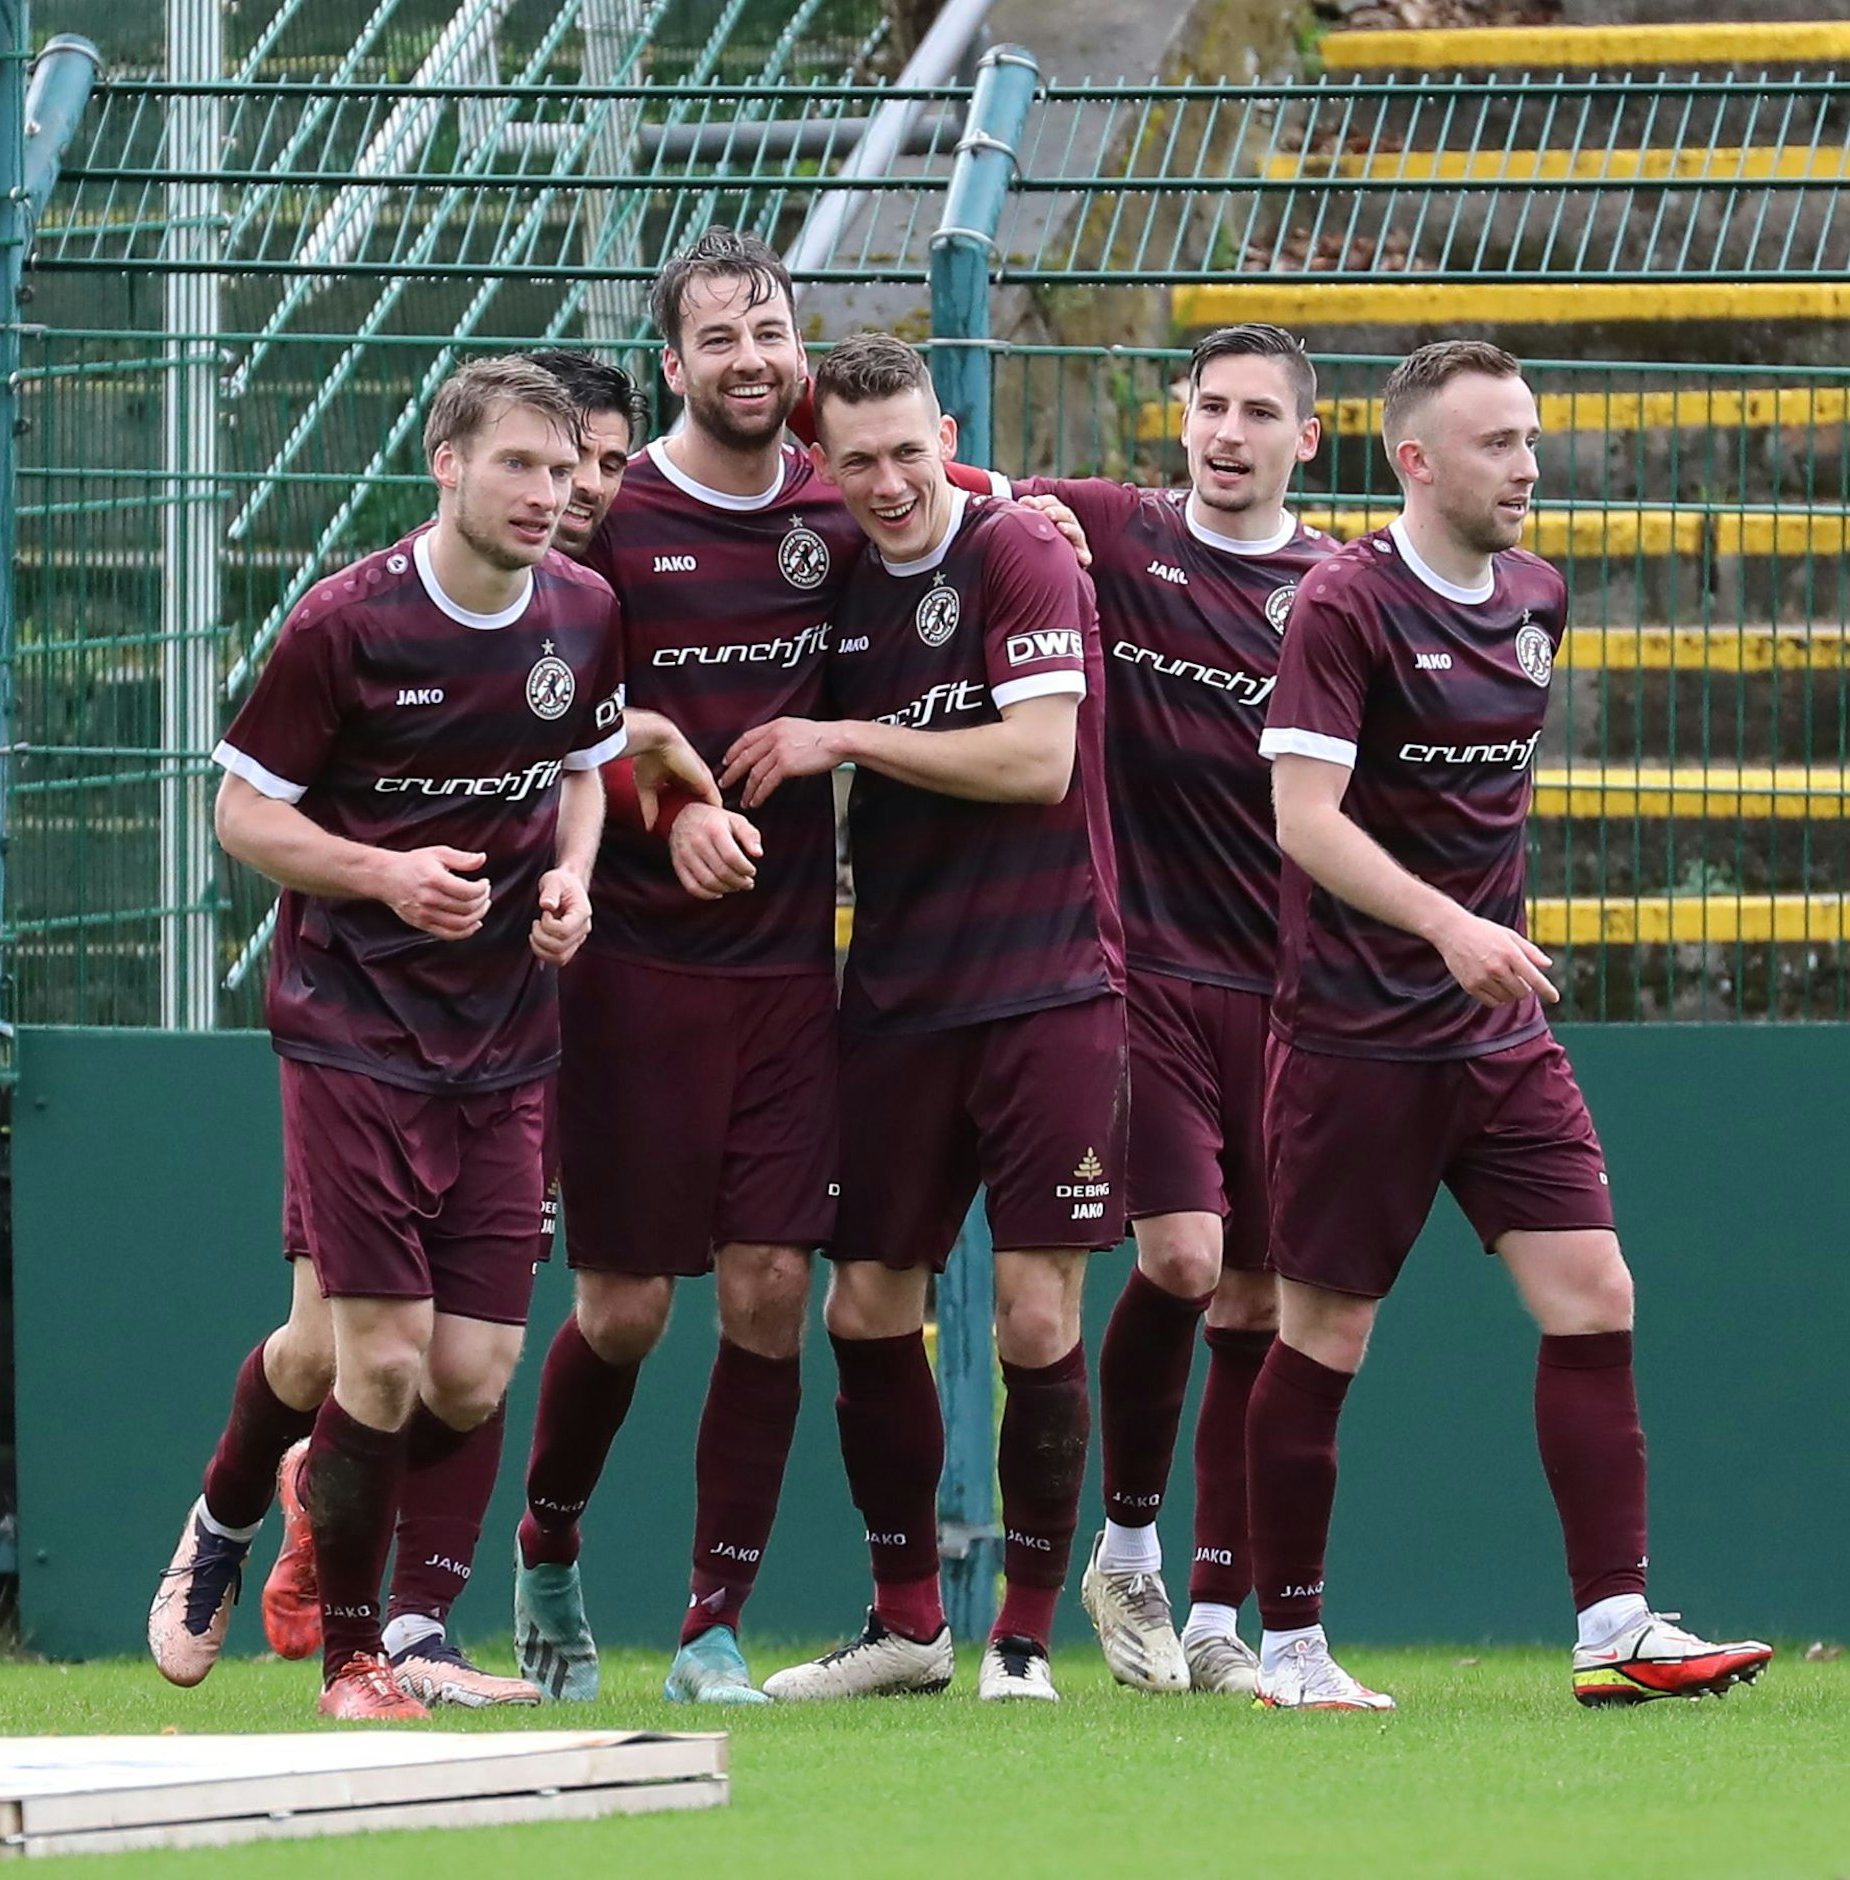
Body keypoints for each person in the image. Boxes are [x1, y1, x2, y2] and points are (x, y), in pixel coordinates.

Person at [147, 354, 708, 1719]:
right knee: (377, 1355)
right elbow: (244, 817)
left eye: (568, 465)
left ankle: (242, 1506)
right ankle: (355, 1655)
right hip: (354, 1022)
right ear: (446, 465)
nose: (551, 489)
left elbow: (585, 773)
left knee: (461, 1370)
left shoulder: (582, 612)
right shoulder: (348, 624)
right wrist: (384, 874)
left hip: (507, 1033)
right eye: (519, 462)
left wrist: (572, 877)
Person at [1248, 338, 1773, 1709]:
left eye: (1531, 438)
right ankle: (1291, 1648)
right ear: (1414, 460)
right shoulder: (1341, 607)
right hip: (1357, 1041)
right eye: (1497, 444)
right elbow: (1304, 825)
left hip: (1498, 1035)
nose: (1528, 464)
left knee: (1596, 1292)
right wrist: (1449, 925)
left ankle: (1615, 1627)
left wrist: (1479, 944)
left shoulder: (1540, 594)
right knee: (1325, 1338)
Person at [728, 332, 1125, 1704]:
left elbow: (1038, 757)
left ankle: (1021, 1640)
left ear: (942, 430)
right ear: (820, 461)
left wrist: (844, 740)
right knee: (865, 1308)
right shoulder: (827, 563)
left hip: (1050, 991)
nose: (890, 482)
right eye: (857, 460)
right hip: (895, 996)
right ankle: (907, 1627)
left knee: (1031, 1314)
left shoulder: (1020, 550)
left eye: (912, 451)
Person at [953, 325, 1334, 1695]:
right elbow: (934, 484)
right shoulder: (1108, 531)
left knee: (1262, 1299)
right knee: (1180, 1259)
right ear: (1180, 420)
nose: (1229, 434)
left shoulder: (1336, 588)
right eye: (1210, 408)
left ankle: (1225, 1616)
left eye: (1258, 414)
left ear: (1309, 432)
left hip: (1294, 995)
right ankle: (1128, 1546)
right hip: (1147, 979)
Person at [513, 230, 858, 1709]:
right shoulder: (610, 518)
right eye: (718, 338)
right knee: (626, 1313)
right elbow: (565, 728)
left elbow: (952, 512)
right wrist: (671, 813)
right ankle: (545, 1546)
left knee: (773, 1288)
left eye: (768, 331)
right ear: (672, 365)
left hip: (787, 979)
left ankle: (714, 1624)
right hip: (632, 964)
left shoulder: (840, 509)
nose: (749, 360)